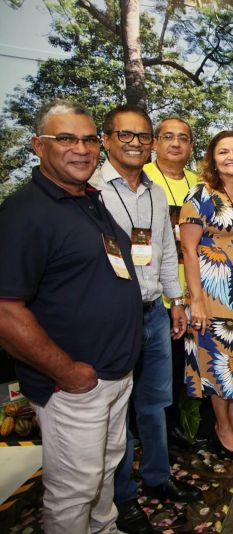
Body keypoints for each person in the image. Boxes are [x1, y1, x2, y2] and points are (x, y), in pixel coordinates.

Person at [0, 100, 142, 532]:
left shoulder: (87, 200)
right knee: (73, 489)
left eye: (87, 139)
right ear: (37, 146)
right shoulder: (25, 214)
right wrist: (69, 372)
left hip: (113, 375)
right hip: (74, 385)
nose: (79, 149)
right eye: (65, 138)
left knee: (102, 471)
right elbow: (6, 312)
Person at [92, 105, 201, 533]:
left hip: (156, 311)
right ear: (106, 139)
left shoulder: (156, 191)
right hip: (112, 318)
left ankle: (157, 478)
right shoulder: (93, 190)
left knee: (154, 405)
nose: (135, 143)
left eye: (142, 136)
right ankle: (121, 497)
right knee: (115, 412)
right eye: (125, 135)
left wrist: (177, 299)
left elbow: (166, 250)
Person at [180, 131, 233, 461]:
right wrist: (195, 300)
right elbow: (188, 247)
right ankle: (222, 429)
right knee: (219, 362)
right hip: (211, 291)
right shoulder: (201, 194)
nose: (231, 156)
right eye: (223, 151)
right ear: (212, 157)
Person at [143, 116, 204, 447]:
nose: (176, 143)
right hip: (156, 294)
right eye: (168, 137)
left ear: (191, 146)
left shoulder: (198, 183)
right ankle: (154, 435)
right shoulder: (141, 178)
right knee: (157, 372)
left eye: (183, 138)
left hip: (193, 292)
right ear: (155, 142)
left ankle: (178, 430)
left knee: (184, 365)